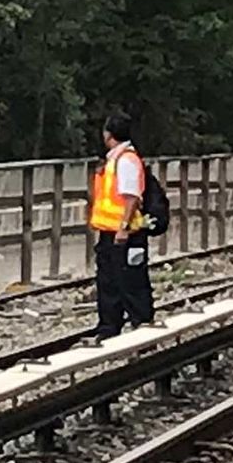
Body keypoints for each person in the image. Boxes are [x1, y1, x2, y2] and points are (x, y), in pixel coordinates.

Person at [89, 113, 155, 340]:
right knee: (109, 282)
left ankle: (142, 327)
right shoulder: (114, 160)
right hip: (111, 232)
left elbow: (131, 197)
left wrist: (123, 228)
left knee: (130, 282)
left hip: (125, 234)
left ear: (108, 135)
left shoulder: (125, 160)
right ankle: (109, 329)